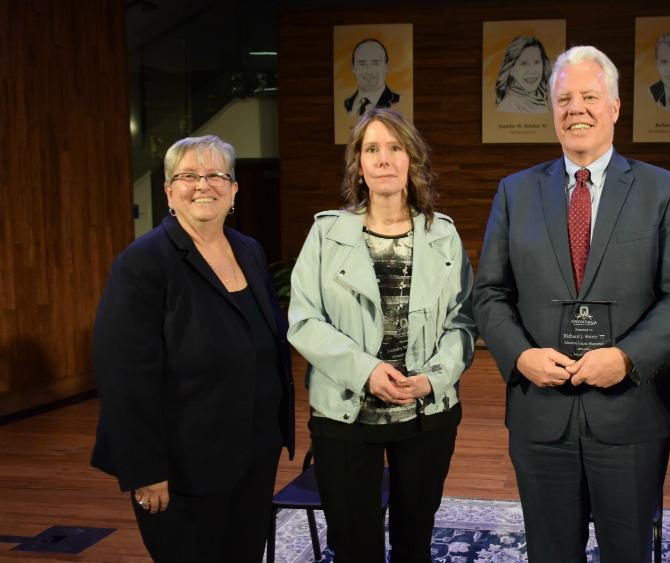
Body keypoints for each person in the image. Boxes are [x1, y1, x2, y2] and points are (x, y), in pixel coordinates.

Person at [474, 45, 670, 563]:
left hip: (629, 413)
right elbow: (489, 292)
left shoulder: (663, 190)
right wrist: (520, 356)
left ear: (615, 107)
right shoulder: (514, 192)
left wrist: (626, 358)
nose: (575, 108)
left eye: (589, 97)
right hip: (540, 412)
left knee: (628, 552)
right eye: (564, 99)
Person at [91, 135, 295, 562]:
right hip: (184, 468)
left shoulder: (248, 250)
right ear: (169, 192)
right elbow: (124, 378)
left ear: (233, 190)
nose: (203, 185)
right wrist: (146, 470)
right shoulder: (143, 262)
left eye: (216, 175)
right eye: (188, 176)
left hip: (253, 455)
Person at [288, 107, 476, 563]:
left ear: (412, 159)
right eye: (372, 149)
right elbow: (304, 320)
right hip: (345, 413)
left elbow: (464, 322)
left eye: (395, 148)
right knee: (355, 547)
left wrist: (433, 378)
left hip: (426, 411)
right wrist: (366, 371)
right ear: (359, 163)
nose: (384, 159)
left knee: (414, 543)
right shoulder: (325, 233)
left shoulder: (444, 236)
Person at [495, 36, 551, 114]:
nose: (532, 71)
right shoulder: (508, 105)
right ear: (511, 70)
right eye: (524, 64)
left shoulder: (543, 98)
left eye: (536, 62)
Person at [344, 38, 400, 116]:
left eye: (375, 63)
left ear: (386, 67)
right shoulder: (347, 104)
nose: (369, 70)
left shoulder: (397, 101)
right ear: (353, 68)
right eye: (362, 64)